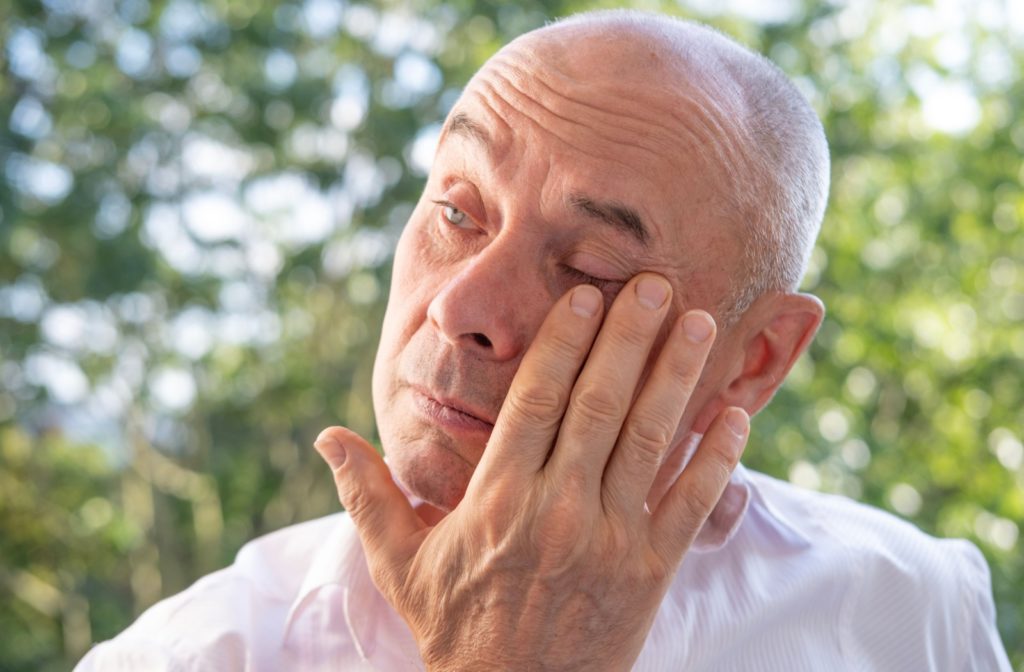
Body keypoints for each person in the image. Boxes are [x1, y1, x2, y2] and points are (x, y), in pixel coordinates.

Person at [76, 9, 1011, 671]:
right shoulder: (197, 655)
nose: (460, 306)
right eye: (456, 209)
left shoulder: (914, 607)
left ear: (755, 360)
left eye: (594, 272)